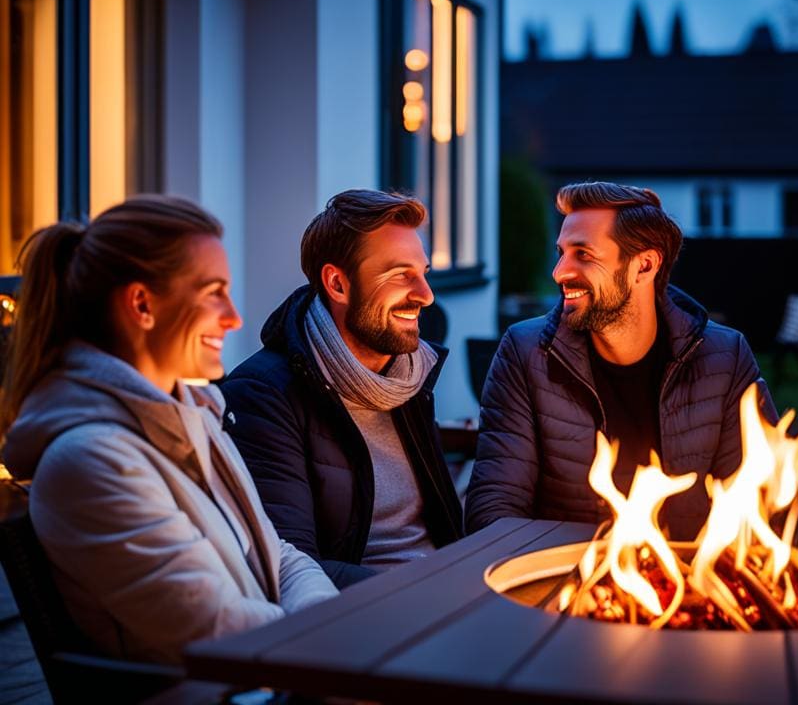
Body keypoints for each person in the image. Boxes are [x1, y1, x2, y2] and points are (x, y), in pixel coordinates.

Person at [0, 195, 338, 665]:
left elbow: (276, 554)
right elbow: (215, 628)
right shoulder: (90, 463)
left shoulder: (194, 416)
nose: (234, 317)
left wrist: (332, 624)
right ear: (141, 304)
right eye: (213, 291)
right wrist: (333, 641)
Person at [466, 182, 791, 542]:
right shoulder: (525, 354)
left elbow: (763, 505)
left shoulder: (724, 358)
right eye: (561, 253)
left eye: (583, 255)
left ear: (645, 266)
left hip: (691, 584)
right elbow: (495, 510)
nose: (559, 272)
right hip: (567, 585)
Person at [220, 189, 463, 588]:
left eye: (423, 273)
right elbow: (290, 564)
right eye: (401, 275)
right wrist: (431, 592)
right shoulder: (263, 395)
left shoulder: (409, 376)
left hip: (447, 591)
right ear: (337, 284)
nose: (425, 295)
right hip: (362, 618)